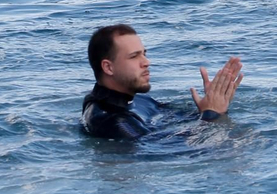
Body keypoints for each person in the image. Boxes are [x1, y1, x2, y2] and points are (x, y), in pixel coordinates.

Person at [82, 23, 242, 140]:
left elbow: (176, 122)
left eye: (144, 53)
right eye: (134, 56)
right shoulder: (110, 121)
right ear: (108, 67)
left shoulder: (138, 99)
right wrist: (211, 115)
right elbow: (169, 152)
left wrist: (213, 105)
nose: (146, 62)